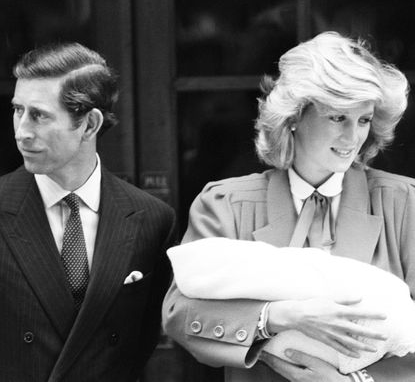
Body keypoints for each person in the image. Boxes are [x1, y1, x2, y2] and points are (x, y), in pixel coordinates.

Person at [162, 31, 415, 382]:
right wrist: (278, 316)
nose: (352, 137)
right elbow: (179, 314)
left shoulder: (405, 204)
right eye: (337, 117)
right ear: (294, 116)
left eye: (363, 120)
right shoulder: (225, 203)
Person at [0, 43, 176, 381]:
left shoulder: (152, 219)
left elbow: (144, 346)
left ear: (90, 124)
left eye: (39, 115)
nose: (21, 131)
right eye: (17, 110)